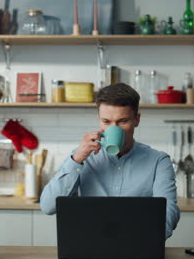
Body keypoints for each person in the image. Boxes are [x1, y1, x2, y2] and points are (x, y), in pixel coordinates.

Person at [40, 83, 180, 239]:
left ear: (137, 120)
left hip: (139, 249)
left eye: (122, 121)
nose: (114, 129)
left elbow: (169, 212)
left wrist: (137, 239)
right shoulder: (82, 157)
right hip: (90, 248)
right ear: (99, 120)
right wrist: (76, 159)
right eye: (106, 122)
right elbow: (48, 206)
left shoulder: (158, 161)